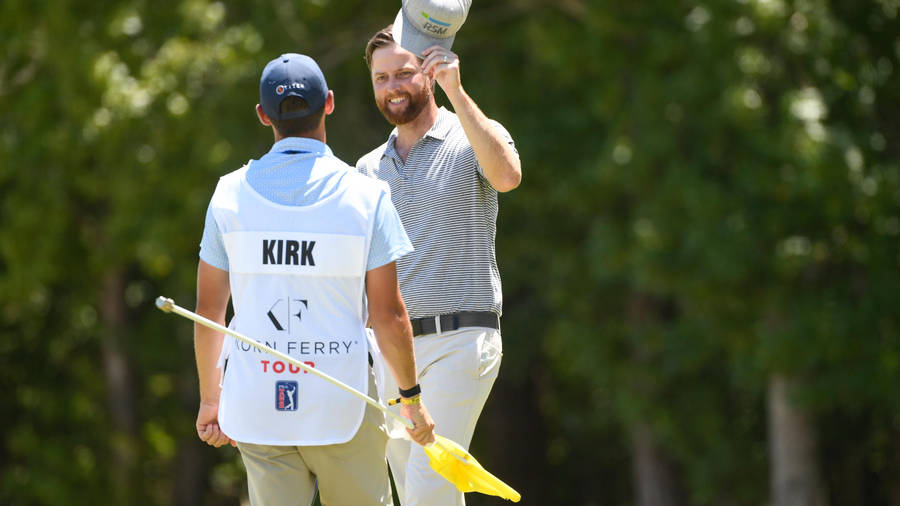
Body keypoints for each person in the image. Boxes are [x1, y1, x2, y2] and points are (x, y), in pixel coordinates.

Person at [194, 52, 434, 506]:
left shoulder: (228, 194)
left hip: (258, 401)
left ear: (264, 116)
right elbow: (388, 315)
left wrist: (212, 400)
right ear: (328, 103)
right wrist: (410, 397)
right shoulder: (367, 197)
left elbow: (210, 312)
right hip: (340, 400)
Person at [357, 1, 522, 504]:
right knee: (411, 491)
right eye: (381, 78)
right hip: (393, 354)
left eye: (403, 73)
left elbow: (508, 176)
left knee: (431, 489)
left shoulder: (469, 135)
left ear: (430, 68)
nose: (392, 87)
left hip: (460, 341)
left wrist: (457, 90)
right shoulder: (367, 169)